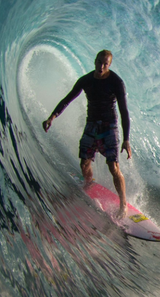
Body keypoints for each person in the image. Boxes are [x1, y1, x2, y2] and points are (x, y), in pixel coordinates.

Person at [43, 49, 132, 216]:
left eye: (106, 63)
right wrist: (52, 117)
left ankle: (123, 204)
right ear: (95, 61)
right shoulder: (86, 80)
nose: (101, 66)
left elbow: (124, 111)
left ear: (109, 65)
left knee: (113, 166)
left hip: (109, 126)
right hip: (91, 125)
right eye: (99, 62)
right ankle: (89, 185)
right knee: (84, 163)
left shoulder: (116, 82)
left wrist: (126, 139)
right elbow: (67, 99)